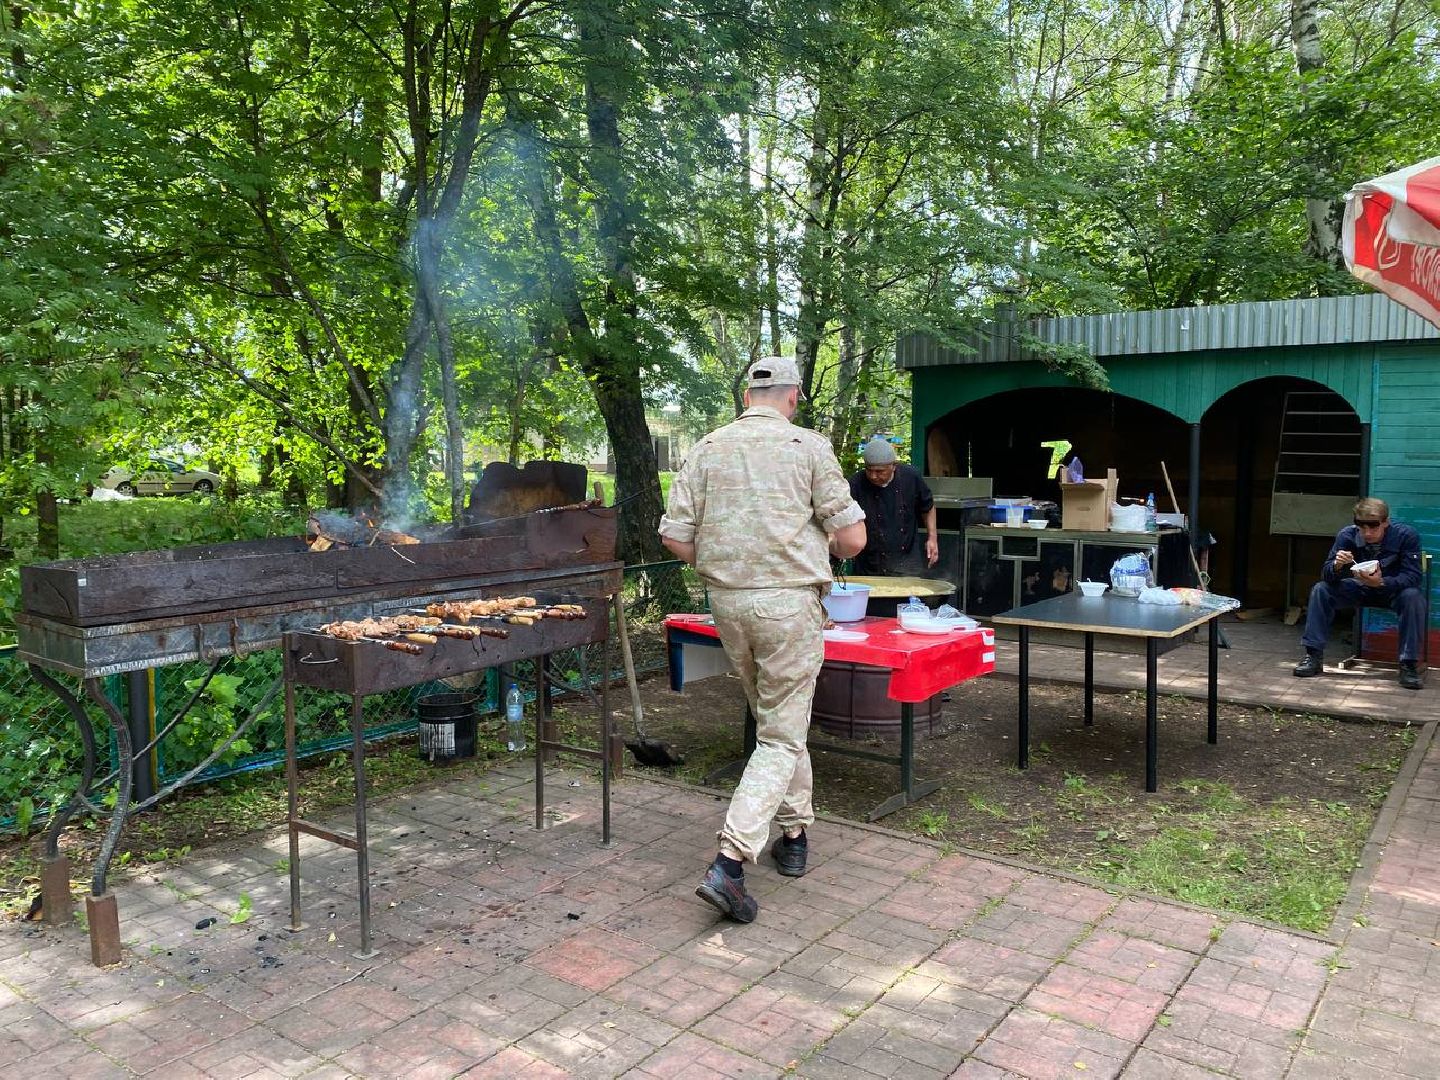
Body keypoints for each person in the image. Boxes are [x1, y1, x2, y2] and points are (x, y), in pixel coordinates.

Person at [659, 355, 866, 922]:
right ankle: (730, 860)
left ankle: (795, 835)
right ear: (794, 396)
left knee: (777, 718)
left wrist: (728, 563)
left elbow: (674, 536)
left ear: (744, 397)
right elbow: (850, 540)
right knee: (779, 733)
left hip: (728, 602)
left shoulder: (704, 449)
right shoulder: (808, 448)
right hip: (788, 605)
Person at [1294, 497, 1425, 690]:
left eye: (1373, 527)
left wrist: (1382, 582)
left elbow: (1413, 576)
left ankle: (1408, 664)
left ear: (1386, 522)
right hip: (1359, 588)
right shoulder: (1347, 535)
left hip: (1392, 590)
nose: (1367, 533)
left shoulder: (1406, 535)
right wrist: (1337, 565)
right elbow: (1327, 575)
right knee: (1321, 590)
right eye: (1361, 527)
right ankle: (1313, 656)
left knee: (1413, 597)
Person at [847, 437, 937, 576]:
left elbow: (928, 507)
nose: (873, 476)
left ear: (894, 466)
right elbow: (845, 518)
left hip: (907, 560)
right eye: (869, 470)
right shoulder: (855, 484)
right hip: (869, 563)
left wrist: (932, 538)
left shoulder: (911, 477)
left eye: (879, 471)